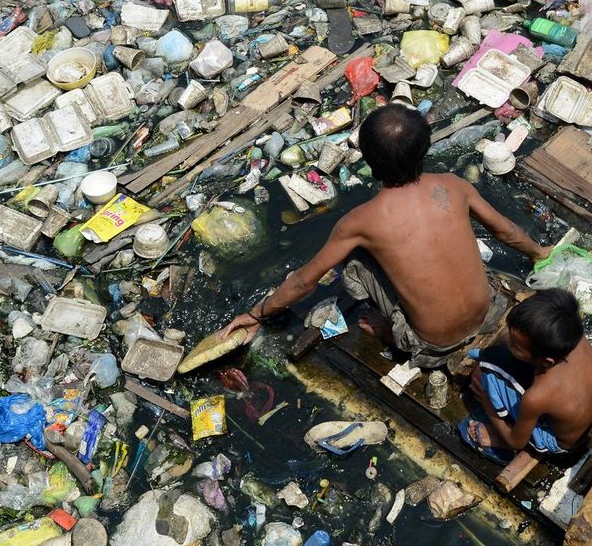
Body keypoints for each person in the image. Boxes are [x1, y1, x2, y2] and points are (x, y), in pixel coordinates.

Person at [219, 103, 547, 365]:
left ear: (372, 162)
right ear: (424, 150)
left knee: (355, 261)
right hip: (488, 311)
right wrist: (539, 254)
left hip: (432, 345)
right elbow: (506, 230)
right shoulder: (454, 185)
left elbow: (305, 281)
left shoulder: (360, 222)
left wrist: (256, 314)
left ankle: (392, 331)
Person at [460, 288, 592, 460]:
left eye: (515, 345)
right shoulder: (572, 337)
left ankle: (498, 437)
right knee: (498, 357)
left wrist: (489, 407)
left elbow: (517, 442)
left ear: (546, 362)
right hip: (583, 415)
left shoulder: (537, 396)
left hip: (559, 442)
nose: (507, 341)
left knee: (486, 370)